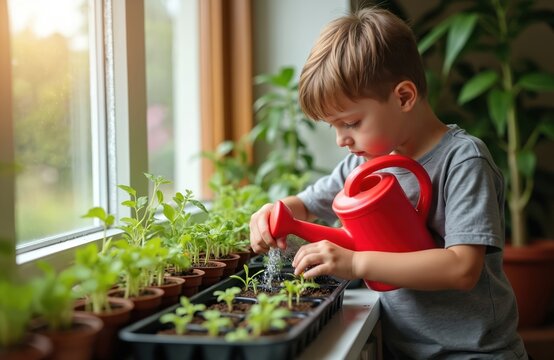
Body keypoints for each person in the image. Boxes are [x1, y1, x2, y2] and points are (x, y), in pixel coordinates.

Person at [249, 7, 528, 360]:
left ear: (404, 97)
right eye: (333, 126)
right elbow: (305, 204)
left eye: (350, 123)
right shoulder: (364, 163)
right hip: (402, 350)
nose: (341, 140)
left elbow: (462, 269)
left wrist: (357, 263)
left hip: (474, 353)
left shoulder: (463, 160)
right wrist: (271, 214)